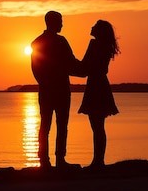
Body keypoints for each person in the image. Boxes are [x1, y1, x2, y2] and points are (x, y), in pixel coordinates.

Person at [30, 11, 82, 170]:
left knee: (49, 125)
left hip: (49, 89)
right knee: (55, 125)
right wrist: (86, 69)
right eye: (60, 21)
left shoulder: (38, 42)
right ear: (52, 22)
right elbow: (71, 64)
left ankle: (50, 160)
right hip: (57, 89)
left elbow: (36, 70)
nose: (62, 24)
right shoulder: (59, 42)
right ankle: (52, 160)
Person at [78, 20, 120, 170]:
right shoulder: (105, 46)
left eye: (94, 26)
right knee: (99, 126)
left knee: (96, 126)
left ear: (99, 31)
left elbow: (84, 66)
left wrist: (67, 66)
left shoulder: (94, 44)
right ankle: (98, 160)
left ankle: (97, 162)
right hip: (102, 83)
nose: (91, 27)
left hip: (95, 85)